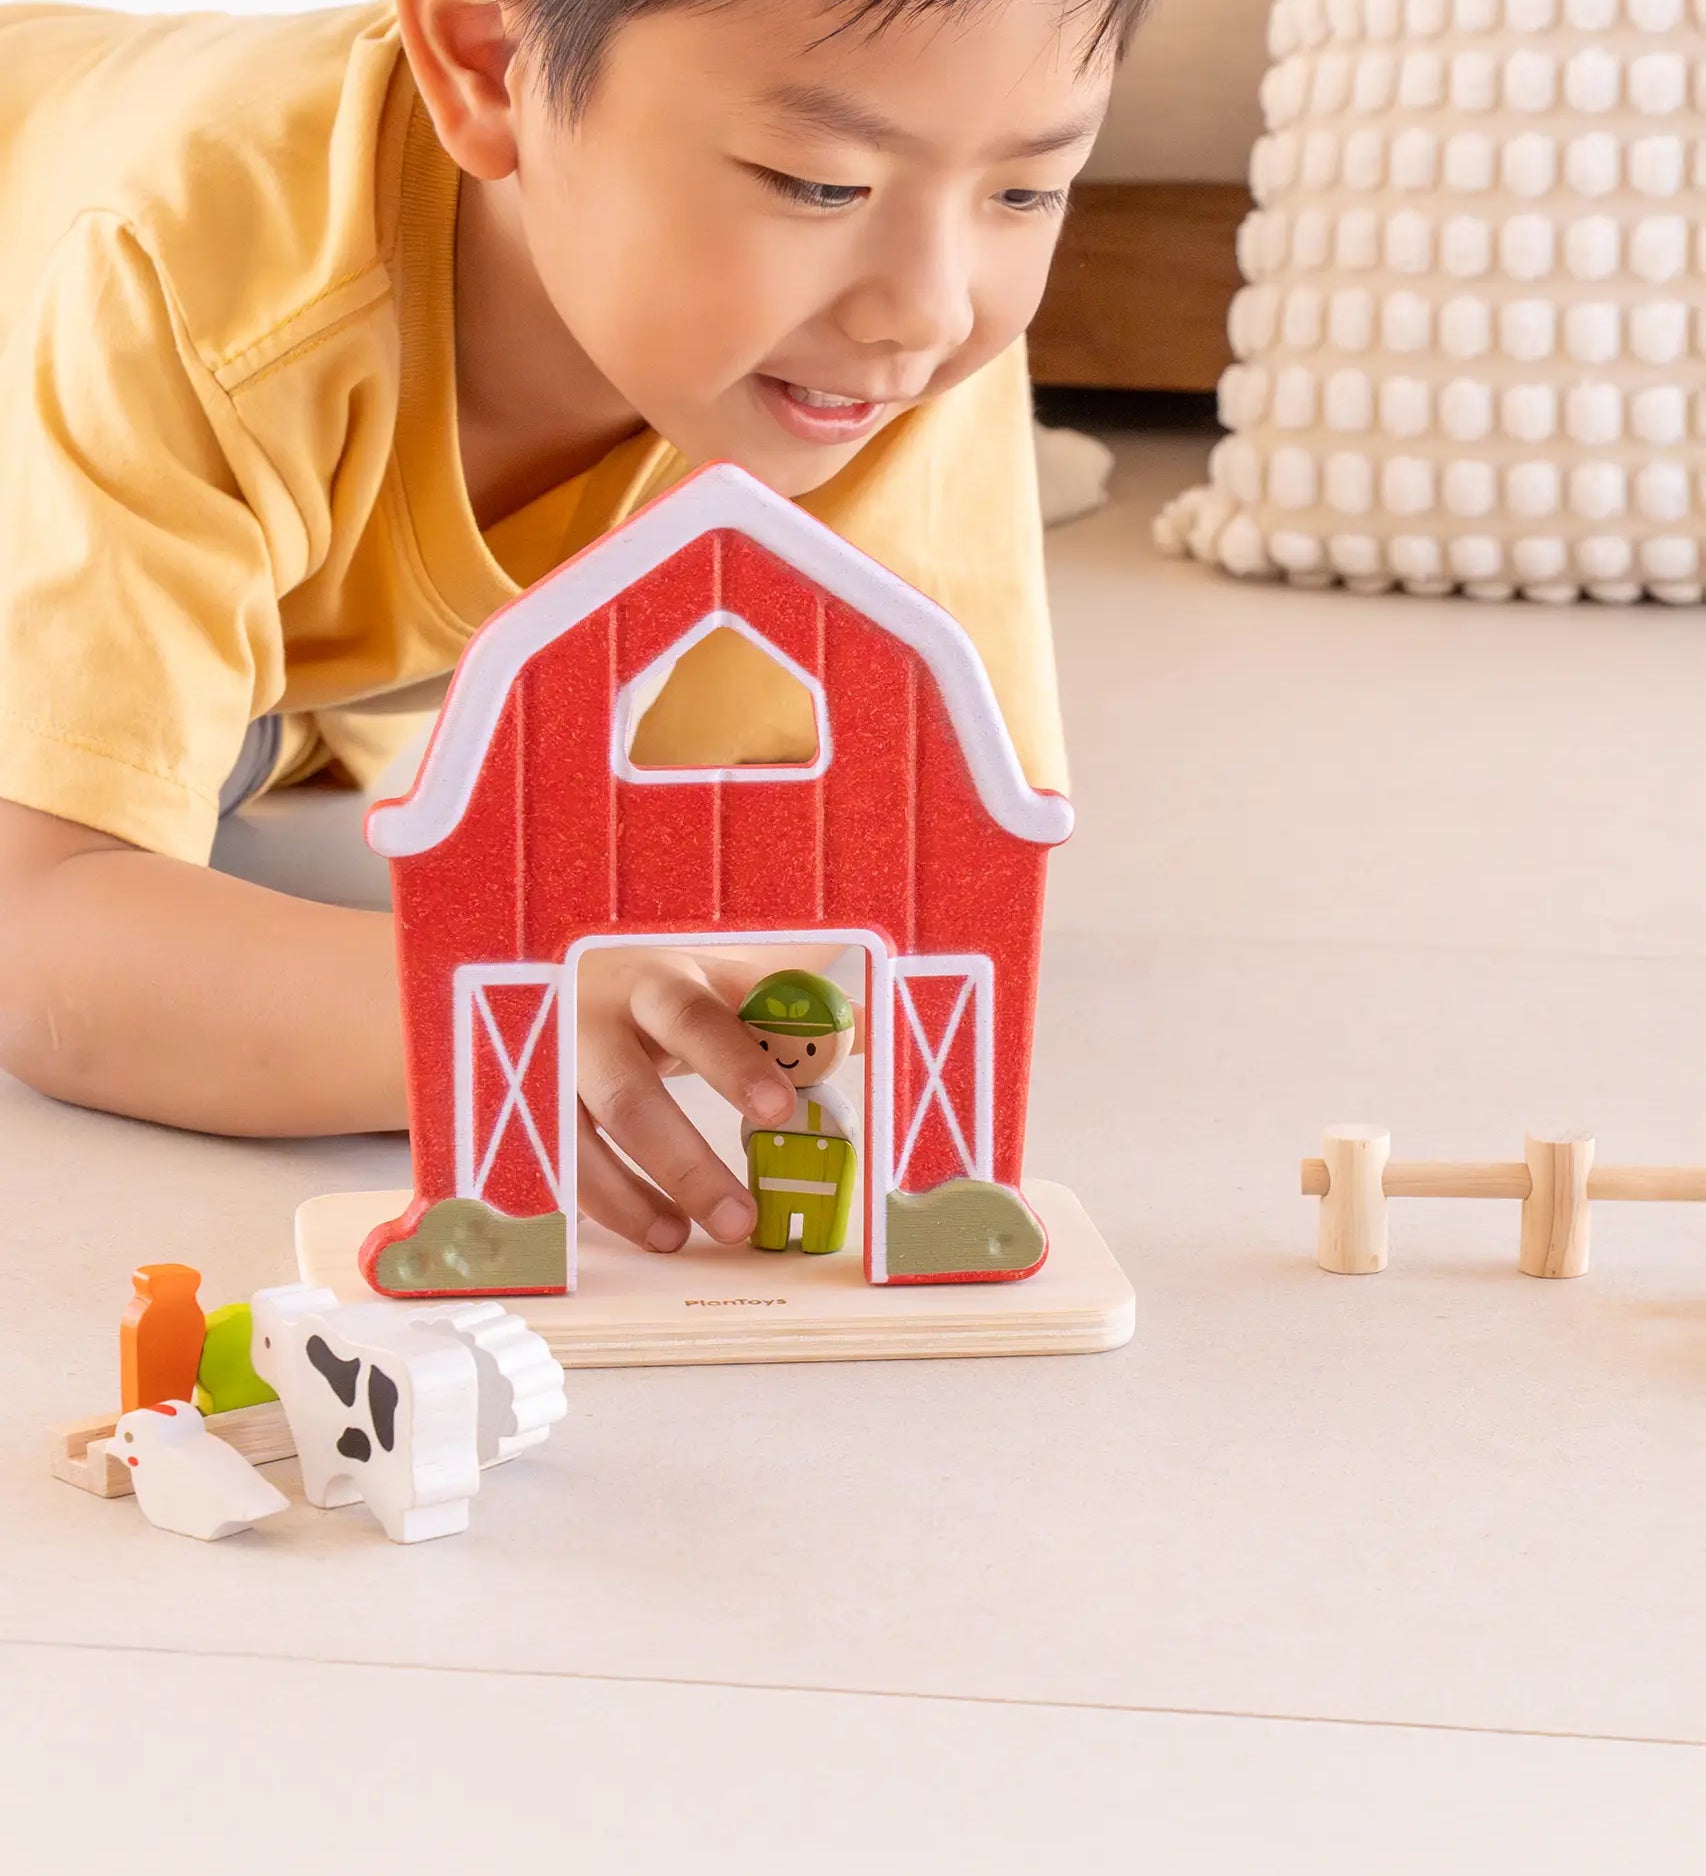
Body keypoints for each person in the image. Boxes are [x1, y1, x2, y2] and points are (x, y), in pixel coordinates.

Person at [0, 0, 1142, 1252]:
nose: (925, 312)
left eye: (1029, 192)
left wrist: (700, 985)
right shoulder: (186, 262)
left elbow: (910, 854)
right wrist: (511, 1005)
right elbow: (41, 938)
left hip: (283, 659)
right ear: (490, 62)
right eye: (817, 184)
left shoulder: (879, 341)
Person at [738, 970, 858, 1255]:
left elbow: (848, 1141)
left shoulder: (830, 1107)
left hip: (824, 1175)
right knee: (771, 1216)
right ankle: (770, 1233)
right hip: (773, 1174)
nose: (787, 1055)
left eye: (812, 1047)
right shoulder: (769, 1103)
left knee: (822, 1223)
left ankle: (822, 1237)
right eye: (765, 1044)